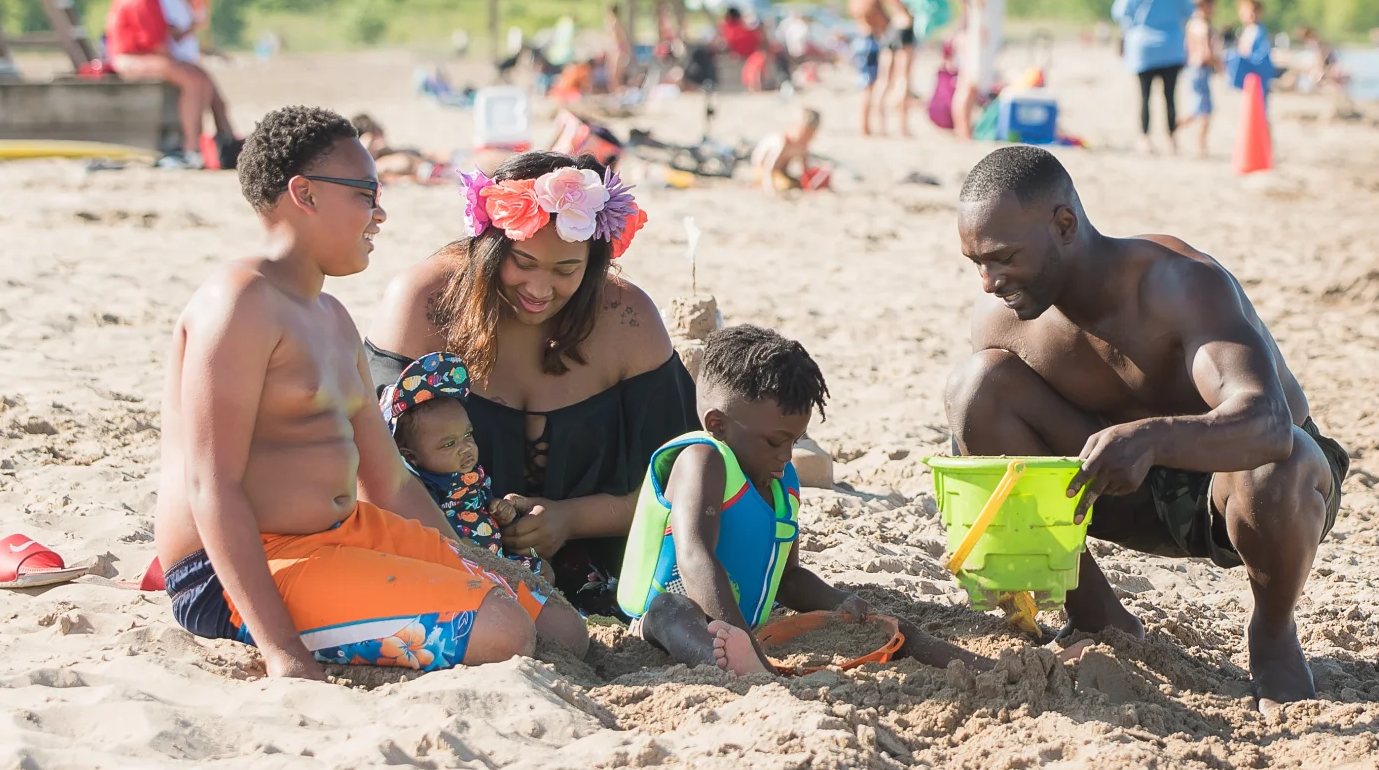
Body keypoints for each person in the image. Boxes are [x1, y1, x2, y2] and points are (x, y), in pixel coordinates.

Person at [156, 106, 588, 676]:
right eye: (365, 192)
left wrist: (475, 560)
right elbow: (212, 486)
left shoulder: (332, 318)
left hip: (341, 536)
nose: (380, 212)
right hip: (239, 567)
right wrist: (282, 653)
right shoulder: (239, 304)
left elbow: (386, 479)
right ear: (303, 194)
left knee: (563, 630)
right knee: (504, 631)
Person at [945, 146, 1349, 703]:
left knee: (1277, 464)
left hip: (1248, 493)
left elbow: (1270, 423)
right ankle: (1097, 615)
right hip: (1113, 485)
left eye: (1003, 257)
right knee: (976, 388)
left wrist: (1151, 437)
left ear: (1064, 225)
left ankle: (1273, 634)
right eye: (976, 264)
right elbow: (987, 437)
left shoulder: (1176, 283)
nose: (989, 281)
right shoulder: (1002, 321)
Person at [369, 150, 699, 616]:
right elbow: (371, 473)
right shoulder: (425, 304)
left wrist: (570, 519)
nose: (540, 290)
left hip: (610, 565)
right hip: (440, 553)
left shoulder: (628, 320)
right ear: (489, 248)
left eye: (566, 270)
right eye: (522, 262)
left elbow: (686, 485)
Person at [625, 325, 980, 675]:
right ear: (718, 424)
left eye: (794, 442)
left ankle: (987, 666)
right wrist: (744, 643)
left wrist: (840, 601)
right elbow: (694, 555)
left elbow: (788, 578)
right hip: (664, 628)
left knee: (884, 622)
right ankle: (734, 664)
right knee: (671, 610)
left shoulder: (782, 483)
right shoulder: (703, 460)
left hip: (744, 631)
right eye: (774, 442)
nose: (785, 455)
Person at [383, 351, 541, 575]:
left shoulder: (471, 474)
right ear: (410, 456)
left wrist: (502, 512)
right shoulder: (422, 487)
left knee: (543, 571)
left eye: (468, 435)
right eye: (449, 445)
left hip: (497, 563)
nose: (466, 448)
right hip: (459, 571)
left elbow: (483, 506)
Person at [106, 0, 220, 168]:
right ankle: (190, 148)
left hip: (146, 55)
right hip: (128, 57)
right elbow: (155, 43)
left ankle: (194, 141)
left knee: (198, 76)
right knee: (190, 79)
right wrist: (179, 64)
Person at [1110, 0, 1195, 155]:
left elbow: (1119, 13)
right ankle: (1172, 139)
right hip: (1172, 47)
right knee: (1170, 96)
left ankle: (1145, 138)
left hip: (1142, 48)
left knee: (1144, 96)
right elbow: (1190, 11)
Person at [161, 0, 240, 161]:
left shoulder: (179, 2)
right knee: (204, 94)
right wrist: (195, 25)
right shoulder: (167, 0)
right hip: (177, 61)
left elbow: (187, 38)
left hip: (186, 60)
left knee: (218, 103)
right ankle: (193, 146)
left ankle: (229, 143)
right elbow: (173, 34)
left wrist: (214, 51)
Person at [942, 0, 1009, 140]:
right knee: (967, 84)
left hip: (977, 34)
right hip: (968, 32)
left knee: (972, 84)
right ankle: (963, 131)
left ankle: (965, 130)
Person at [874, 0, 921, 136]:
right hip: (905, 27)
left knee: (884, 79)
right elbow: (914, 3)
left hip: (892, 27)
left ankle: (880, 124)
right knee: (903, 79)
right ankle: (902, 126)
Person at [846, 0, 886, 135]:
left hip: (858, 41)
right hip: (871, 42)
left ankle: (863, 125)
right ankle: (870, 126)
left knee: (864, 85)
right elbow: (883, 22)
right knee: (873, 86)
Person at [753, 106, 829, 192]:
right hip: (763, 171)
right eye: (804, 134)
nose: (806, 140)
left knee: (796, 184)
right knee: (787, 185)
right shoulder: (783, 142)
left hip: (781, 173)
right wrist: (770, 189)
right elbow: (768, 168)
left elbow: (805, 169)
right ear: (796, 127)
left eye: (810, 136)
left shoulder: (803, 145)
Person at [1185, 0, 1223, 157]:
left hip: (1192, 68)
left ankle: (1174, 128)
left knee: (1199, 108)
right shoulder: (1203, 25)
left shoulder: (1191, 23)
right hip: (1201, 68)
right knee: (1204, 111)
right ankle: (1201, 146)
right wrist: (1220, 64)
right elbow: (1205, 52)